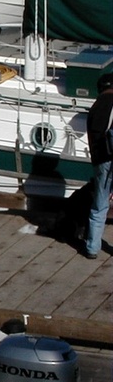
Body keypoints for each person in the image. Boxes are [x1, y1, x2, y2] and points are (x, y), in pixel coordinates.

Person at [83, 73, 113, 259]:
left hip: (102, 160)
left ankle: (92, 248)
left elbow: (92, 138)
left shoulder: (95, 107)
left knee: (99, 206)